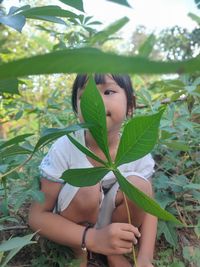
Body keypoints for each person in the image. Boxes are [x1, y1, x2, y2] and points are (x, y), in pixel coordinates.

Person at [28, 74, 157, 267]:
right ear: (76, 109)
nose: (96, 102)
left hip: (113, 220)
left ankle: (115, 252)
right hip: (75, 223)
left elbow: (149, 207)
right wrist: (92, 238)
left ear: (131, 105)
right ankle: (80, 251)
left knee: (139, 186)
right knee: (87, 186)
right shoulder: (66, 147)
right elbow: (37, 216)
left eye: (108, 91)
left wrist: (145, 256)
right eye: (86, 96)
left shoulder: (135, 150)